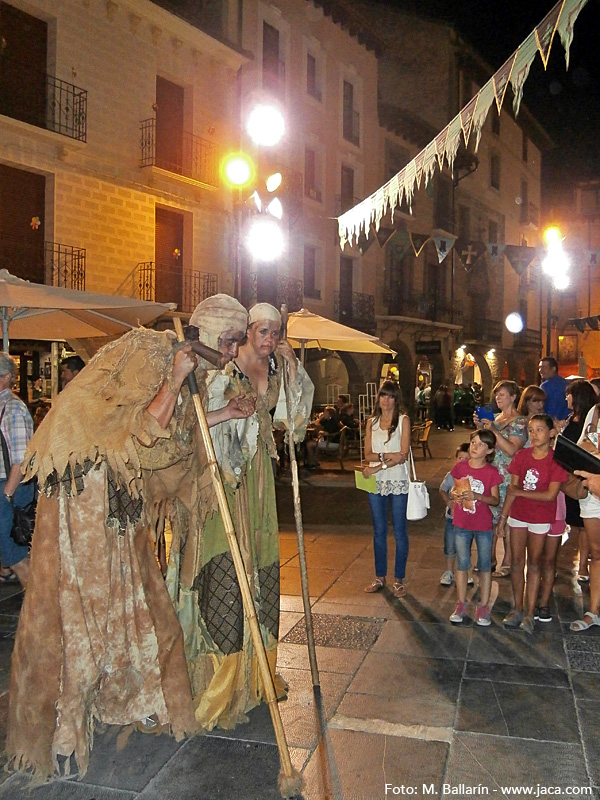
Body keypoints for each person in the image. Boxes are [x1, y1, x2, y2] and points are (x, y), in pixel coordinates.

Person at [7, 294, 251, 779]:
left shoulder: (188, 371)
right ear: (210, 333)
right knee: (83, 615)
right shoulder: (151, 351)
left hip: (119, 499)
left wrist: (225, 414)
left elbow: (170, 442)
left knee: (138, 602)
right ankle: (65, 731)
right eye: (230, 341)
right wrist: (176, 378)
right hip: (87, 493)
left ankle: (136, 698)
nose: (232, 353)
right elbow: (140, 428)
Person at [167, 302, 313, 732]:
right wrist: (231, 413)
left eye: (276, 333)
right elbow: (188, 425)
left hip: (259, 478)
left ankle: (258, 671)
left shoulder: (274, 366)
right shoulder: (220, 369)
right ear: (247, 331)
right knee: (224, 566)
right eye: (262, 332)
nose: (269, 340)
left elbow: (293, 421)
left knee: (260, 563)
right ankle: (220, 680)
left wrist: (291, 369)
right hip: (223, 479)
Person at [498, 414, 568, 634]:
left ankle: (530, 612)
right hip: (518, 515)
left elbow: (550, 496)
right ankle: (517, 607)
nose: (535, 434)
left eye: (540, 430)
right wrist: (502, 518)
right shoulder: (521, 456)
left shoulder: (556, 460)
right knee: (517, 562)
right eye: (531, 430)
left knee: (535, 563)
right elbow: (512, 490)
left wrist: (521, 492)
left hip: (541, 518)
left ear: (550, 433)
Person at [362, 380, 411, 599]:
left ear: (396, 399)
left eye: (390, 396)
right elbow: (368, 454)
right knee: (379, 530)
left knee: (400, 530)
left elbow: (403, 455)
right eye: (383, 395)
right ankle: (380, 576)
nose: (386, 400)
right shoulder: (371, 422)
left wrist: (378, 465)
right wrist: (384, 457)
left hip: (397, 480)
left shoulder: (403, 421)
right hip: (376, 482)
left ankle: (398, 579)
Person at [448, 430, 501, 625]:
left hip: (483, 524)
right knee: (462, 562)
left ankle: (483, 605)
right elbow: (455, 488)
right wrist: (455, 495)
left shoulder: (491, 472)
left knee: (485, 564)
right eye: (473, 442)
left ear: (489, 450)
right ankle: (461, 603)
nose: (474, 447)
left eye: (480, 444)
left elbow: (495, 500)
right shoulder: (461, 467)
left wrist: (478, 497)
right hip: (462, 522)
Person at [475, 380, 527, 577]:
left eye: (502, 394)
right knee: (488, 518)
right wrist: (480, 426)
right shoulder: (496, 417)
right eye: (497, 394)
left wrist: (494, 431)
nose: (498, 398)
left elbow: (513, 449)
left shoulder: (520, 422)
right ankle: (489, 558)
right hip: (490, 473)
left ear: (513, 397)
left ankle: (508, 561)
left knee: (506, 519)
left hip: (508, 475)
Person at [0, 353, 35, 589]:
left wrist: (7, 496)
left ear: (6, 377)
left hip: (11, 486)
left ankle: (40, 608)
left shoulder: (13, 409)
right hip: (6, 486)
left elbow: (21, 460)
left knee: (14, 551)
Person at [568, 395, 600, 631]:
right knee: (596, 553)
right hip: (592, 487)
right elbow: (581, 445)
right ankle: (594, 611)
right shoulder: (595, 412)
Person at [562, 380, 597, 582]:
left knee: (583, 524)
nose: (567, 398)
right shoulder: (572, 418)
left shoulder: (587, 420)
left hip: (582, 478)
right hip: (569, 476)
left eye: (570, 394)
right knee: (575, 522)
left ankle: (583, 566)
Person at [439, 442, 470, 586]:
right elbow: (442, 489)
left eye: (466, 458)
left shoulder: (472, 476)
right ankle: (449, 571)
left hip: (467, 519)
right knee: (450, 545)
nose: (462, 461)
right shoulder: (452, 475)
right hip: (452, 517)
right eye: (460, 458)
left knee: (465, 546)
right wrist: (448, 502)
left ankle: (465, 571)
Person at [539, 357, 569, 421]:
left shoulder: (545, 386)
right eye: (539, 367)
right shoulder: (567, 384)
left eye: (543, 367)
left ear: (553, 369)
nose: (540, 370)